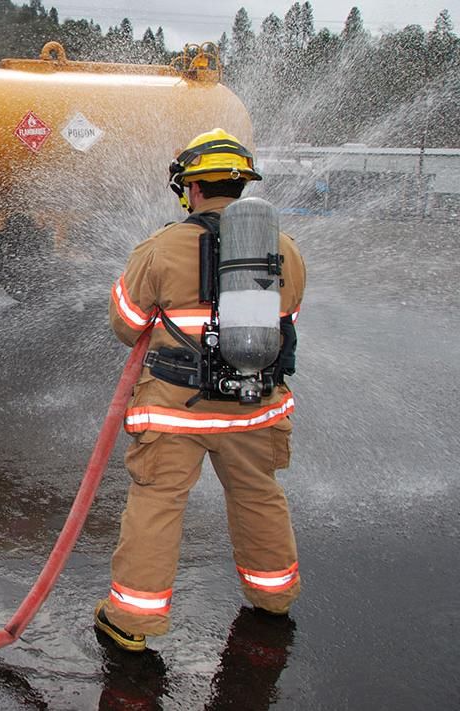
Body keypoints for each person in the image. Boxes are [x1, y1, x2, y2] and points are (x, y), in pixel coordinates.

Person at [94, 129, 306, 652]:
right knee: (258, 495)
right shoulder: (285, 251)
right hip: (255, 407)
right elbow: (288, 319)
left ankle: (132, 621)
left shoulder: (162, 247)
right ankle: (273, 597)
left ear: (189, 188)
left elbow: (126, 323)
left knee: (157, 503)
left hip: (176, 410)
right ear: (243, 185)